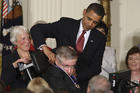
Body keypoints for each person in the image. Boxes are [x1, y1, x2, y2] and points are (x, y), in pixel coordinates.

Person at [30, 3, 108, 92]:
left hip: (80, 84)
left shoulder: (100, 38)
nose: (90, 24)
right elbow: (36, 29)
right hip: (57, 81)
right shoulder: (66, 25)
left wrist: (76, 75)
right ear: (84, 12)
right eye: (89, 19)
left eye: (95, 22)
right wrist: (45, 49)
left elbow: (96, 68)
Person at [1, 26, 35, 90]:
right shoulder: (8, 59)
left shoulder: (36, 54)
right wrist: (15, 65)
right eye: (23, 39)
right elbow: (4, 82)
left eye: (28, 38)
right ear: (15, 42)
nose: (27, 41)